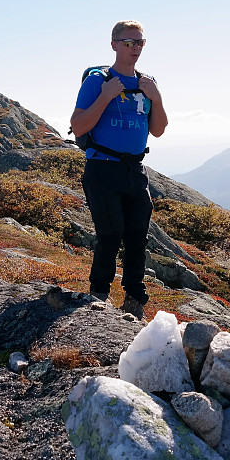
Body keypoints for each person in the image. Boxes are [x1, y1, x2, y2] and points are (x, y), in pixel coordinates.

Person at [70, 20, 168, 318]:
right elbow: (78, 126)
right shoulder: (98, 82)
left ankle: (135, 301)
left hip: (134, 171)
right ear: (114, 44)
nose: (135, 48)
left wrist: (156, 97)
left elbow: (159, 129)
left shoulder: (147, 83)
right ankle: (98, 295)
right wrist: (106, 95)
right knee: (110, 234)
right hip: (102, 168)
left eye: (140, 42)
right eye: (129, 42)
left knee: (138, 236)